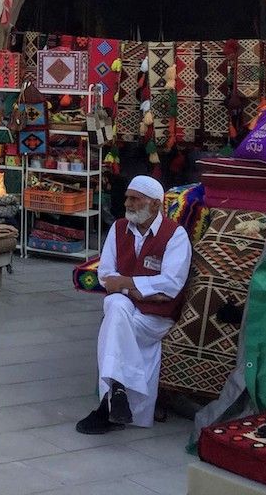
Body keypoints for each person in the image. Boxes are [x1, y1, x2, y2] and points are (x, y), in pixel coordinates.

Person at [77, 175, 190, 435]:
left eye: (134, 198)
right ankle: (115, 394)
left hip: (155, 319)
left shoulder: (175, 235)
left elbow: (170, 287)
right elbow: (106, 276)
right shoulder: (118, 229)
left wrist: (126, 284)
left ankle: (110, 399)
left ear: (154, 204)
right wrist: (138, 290)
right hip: (127, 308)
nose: (127, 203)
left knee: (115, 313)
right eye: (127, 197)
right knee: (116, 307)